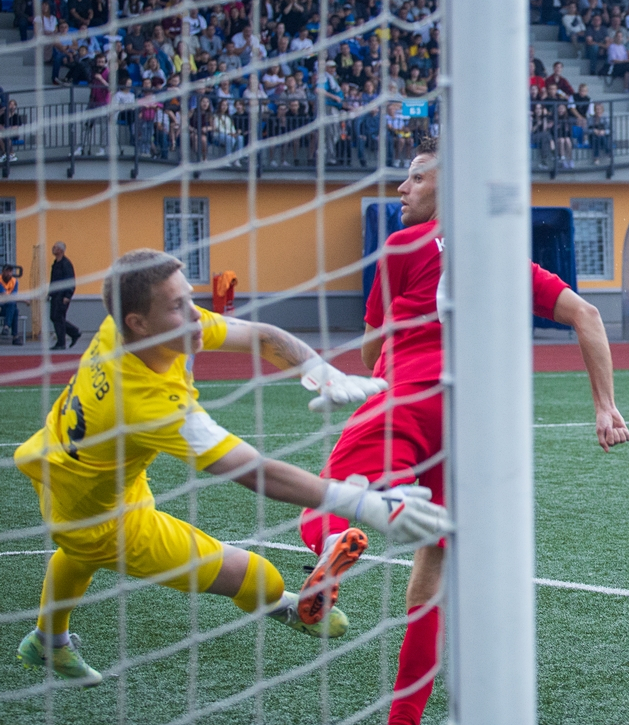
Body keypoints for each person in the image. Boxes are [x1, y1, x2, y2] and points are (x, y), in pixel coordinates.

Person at [295, 138, 629, 725]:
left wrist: (393, 345)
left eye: (414, 179)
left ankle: (340, 540)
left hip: (411, 397)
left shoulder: (398, 249)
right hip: (476, 427)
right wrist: (605, 407)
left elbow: (370, 353)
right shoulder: (503, 255)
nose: (401, 190)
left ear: (444, 187)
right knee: (430, 585)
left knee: (326, 496)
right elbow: (587, 314)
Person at [13, 248, 448, 686]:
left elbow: (260, 335)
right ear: (138, 324)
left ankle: (47, 641)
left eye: (190, 298)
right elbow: (255, 471)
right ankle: (291, 609)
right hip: (103, 519)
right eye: (177, 307)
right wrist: (357, 501)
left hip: (63, 467)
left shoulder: (126, 325)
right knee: (254, 574)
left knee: (75, 546)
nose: (194, 315)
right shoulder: (147, 405)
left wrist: (321, 371)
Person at [48, 241, 81, 350]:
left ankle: (61, 343)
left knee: (58, 317)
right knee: (54, 317)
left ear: (61, 250)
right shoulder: (56, 263)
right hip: (55, 294)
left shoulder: (66, 264)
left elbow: (70, 280)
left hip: (62, 295)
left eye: (55, 247)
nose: (53, 248)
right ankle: (74, 332)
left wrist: (68, 295)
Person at [1, 262, 21, 344]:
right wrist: (24, 300)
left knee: (14, 310)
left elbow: (14, 295)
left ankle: (6, 327)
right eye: (7, 271)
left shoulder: (15, 282)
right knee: (13, 307)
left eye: (10, 271)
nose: (8, 273)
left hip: (7, 306)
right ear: (3, 272)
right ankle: (15, 337)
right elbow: (4, 294)